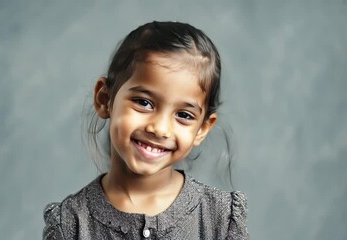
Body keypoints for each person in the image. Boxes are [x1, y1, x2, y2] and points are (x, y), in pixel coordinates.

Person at [43, 21, 249, 240]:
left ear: (202, 129)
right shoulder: (70, 225)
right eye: (144, 102)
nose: (160, 129)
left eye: (184, 115)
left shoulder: (221, 219)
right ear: (105, 100)